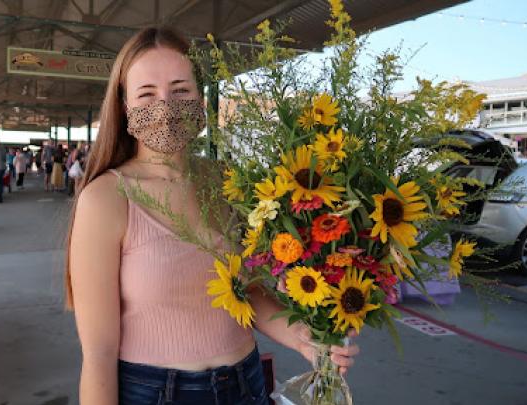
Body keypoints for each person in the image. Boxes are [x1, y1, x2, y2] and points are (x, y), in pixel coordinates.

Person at [66, 27, 359, 405]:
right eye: (147, 94)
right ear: (125, 107)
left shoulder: (225, 181)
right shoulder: (106, 199)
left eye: (180, 90)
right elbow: (99, 354)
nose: (166, 105)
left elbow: (247, 293)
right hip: (157, 393)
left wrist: (305, 338)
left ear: (201, 100)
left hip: (246, 384)